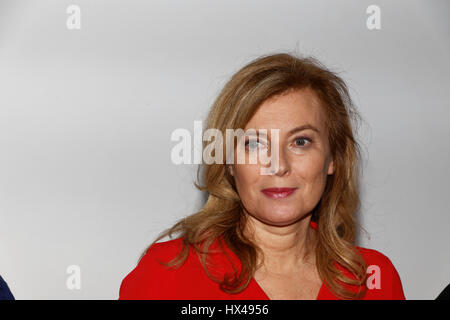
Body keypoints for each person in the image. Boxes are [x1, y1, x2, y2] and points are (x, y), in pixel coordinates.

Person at [119, 52, 406, 300]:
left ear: (333, 158)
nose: (278, 166)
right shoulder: (166, 273)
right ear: (229, 161)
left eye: (301, 142)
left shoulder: (374, 279)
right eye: (254, 143)